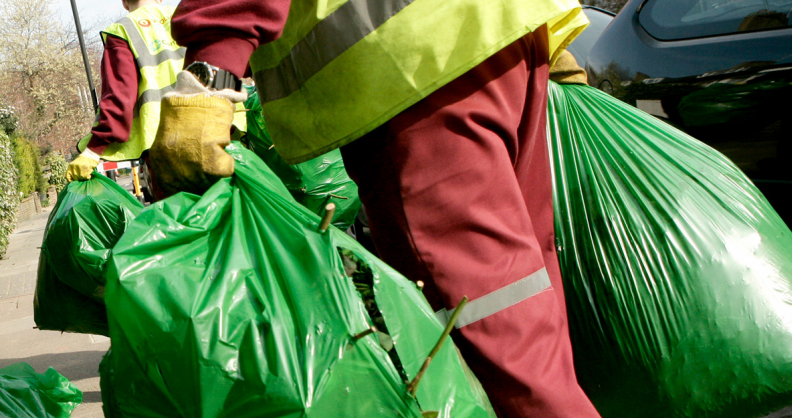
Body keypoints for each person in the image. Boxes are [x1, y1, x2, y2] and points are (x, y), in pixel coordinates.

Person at [149, 0, 602, 416]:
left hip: (412, 68)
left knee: (488, 344)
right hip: (504, 31)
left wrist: (212, 70)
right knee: (522, 305)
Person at [65, 0, 185, 183]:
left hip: (165, 143)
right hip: (221, 128)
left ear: (124, 3)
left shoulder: (123, 31)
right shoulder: (186, 14)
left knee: (181, 211)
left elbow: (120, 98)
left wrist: (93, 150)